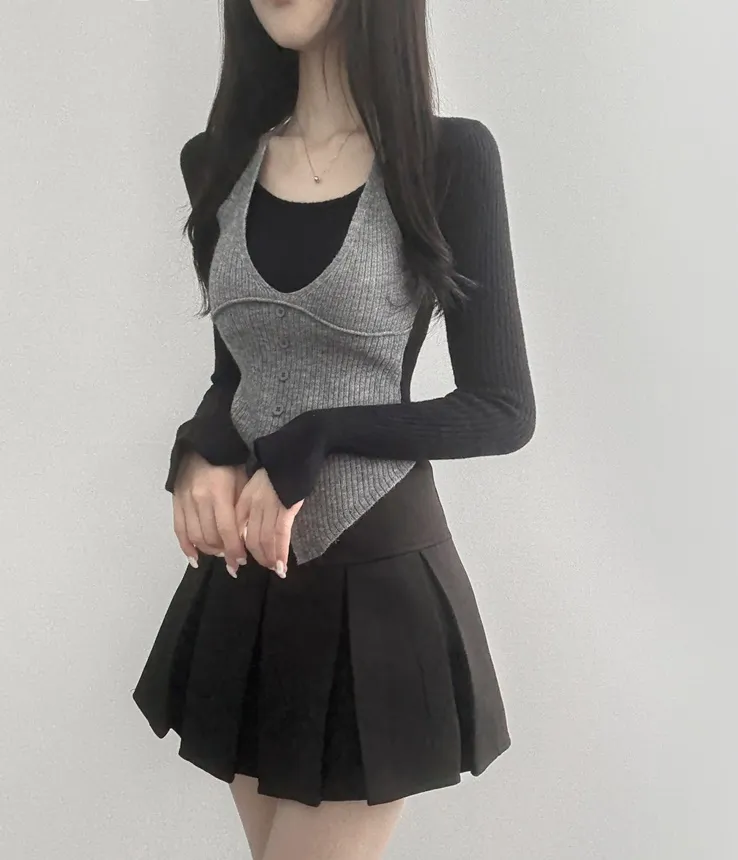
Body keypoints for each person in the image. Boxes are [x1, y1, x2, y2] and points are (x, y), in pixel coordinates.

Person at [132, 1, 536, 857]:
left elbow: (503, 408)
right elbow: (238, 373)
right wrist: (198, 451)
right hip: (246, 581)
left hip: (374, 585)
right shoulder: (216, 163)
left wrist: (316, 437)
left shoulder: (446, 160)